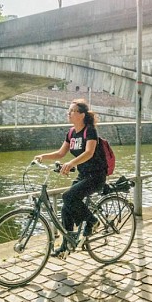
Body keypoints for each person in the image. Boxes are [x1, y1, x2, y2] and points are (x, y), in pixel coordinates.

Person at [35, 99, 107, 256]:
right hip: (83, 174)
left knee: (68, 196)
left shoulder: (90, 131)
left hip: (96, 175)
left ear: (81, 115)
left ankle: (93, 221)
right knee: (66, 205)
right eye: (69, 111)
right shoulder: (71, 133)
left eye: (72, 111)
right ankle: (67, 244)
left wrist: (71, 163)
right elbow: (61, 153)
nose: (69, 113)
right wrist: (43, 156)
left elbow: (89, 152)